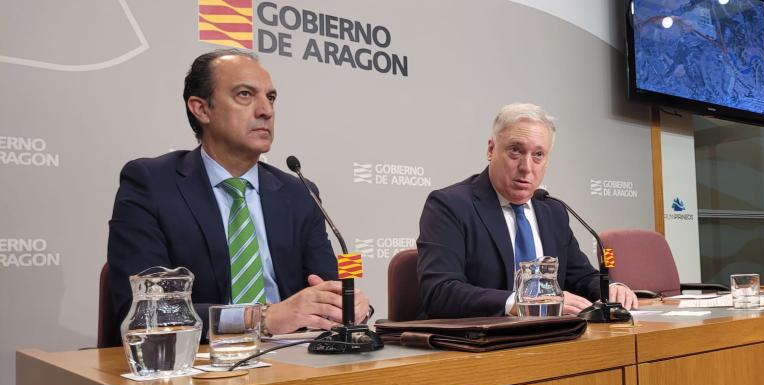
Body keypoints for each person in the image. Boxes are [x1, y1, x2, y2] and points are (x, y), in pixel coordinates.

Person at [106, 49, 369, 344]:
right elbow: (146, 310)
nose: (266, 111)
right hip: (195, 364)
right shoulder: (151, 183)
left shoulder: (298, 192)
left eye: (270, 98)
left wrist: (348, 304)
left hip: (292, 362)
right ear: (201, 109)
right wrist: (261, 318)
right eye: (245, 95)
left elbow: (329, 287)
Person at [416, 102, 638, 318]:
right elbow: (439, 291)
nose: (526, 167)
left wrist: (611, 289)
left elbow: (580, 277)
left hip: (551, 339)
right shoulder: (450, 206)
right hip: (479, 345)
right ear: (491, 150)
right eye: (515, 151)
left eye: (538, 155)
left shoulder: (553, 211)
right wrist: (521, 302)